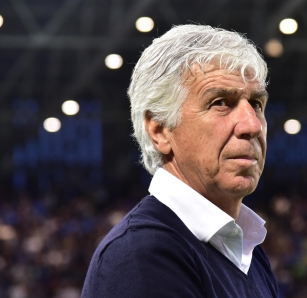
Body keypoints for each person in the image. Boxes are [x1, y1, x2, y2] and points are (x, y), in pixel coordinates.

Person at [82, 24, 278, 297]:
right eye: (221, 102)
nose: (252, 125)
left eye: (256, 104)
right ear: (160, 130)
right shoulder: (142, 256)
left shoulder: (250, 254)